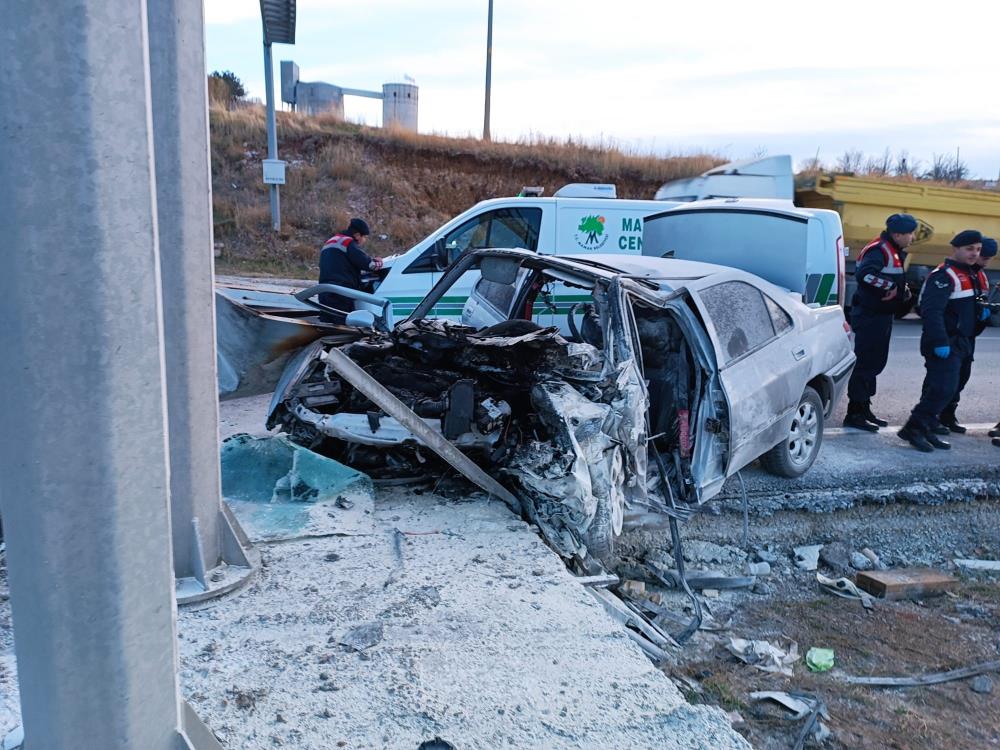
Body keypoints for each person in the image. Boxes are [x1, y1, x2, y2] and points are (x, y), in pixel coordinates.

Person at [898, 230, 984, 452]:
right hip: (945, 342)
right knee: (942, 389)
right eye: (969, 249)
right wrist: (939, 341)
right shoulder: (944, 275)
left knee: (948, 389)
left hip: (961, 342)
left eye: (978, 249)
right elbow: (931, 312)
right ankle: (913, 428)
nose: (974, 253)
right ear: (955, 249)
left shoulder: (969, 274)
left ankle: (926, 428)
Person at [843, 213, 917, 431]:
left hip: (882, 315)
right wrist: (889, 286)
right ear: (897, 234)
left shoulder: (892, 249)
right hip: (870, 315)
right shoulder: (879, 249)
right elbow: (864, 275)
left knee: (875, 363)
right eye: (910, 234)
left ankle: (865, 408)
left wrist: (900, 288)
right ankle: (854, 413)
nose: (912, 237)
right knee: (865, 364)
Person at [934, 236, 994, 433]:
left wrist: (984, 311)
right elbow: (935, 310)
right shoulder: (952, 274)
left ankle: (948, 414)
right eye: (981, 256)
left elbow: (979, 300)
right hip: (954, 335)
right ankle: (931, 418)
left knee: (961, 377)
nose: (981, 260)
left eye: (986, 258)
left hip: (969, 336)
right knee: (942, 380)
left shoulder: (979, 276)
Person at [317, 218, 383, 323]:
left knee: (326, 327)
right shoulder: (348, 242)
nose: (364, 240)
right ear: (357, 235)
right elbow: (369, 265)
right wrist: (379, 262)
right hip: (341, 293)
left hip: (324, 291)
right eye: (364, 237)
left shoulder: (331, 241)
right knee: (343, 328)